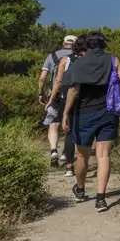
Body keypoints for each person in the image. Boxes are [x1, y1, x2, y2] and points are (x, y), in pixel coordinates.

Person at [62, 31, 120, 213]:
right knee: (104, 155)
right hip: (108, 113)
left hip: (84, 114)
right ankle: (100, 199)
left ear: (87, 45)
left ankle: (81, 189)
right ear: (103, 44)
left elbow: (73, 90)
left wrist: (65, 113)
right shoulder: (113, 60)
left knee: (82, 156)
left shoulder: (78, 63)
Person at [46, 36, 88, 177]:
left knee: (68, 132)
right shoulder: (88, 60)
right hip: (86, 99)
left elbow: (58, 81)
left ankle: (69, 167)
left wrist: (51, 99)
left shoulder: (65, 60)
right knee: (84, 131)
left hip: (66, 98)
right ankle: (84, 162)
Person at [39, 35, 76, 167]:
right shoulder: (77, 56)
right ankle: (66, 152)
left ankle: (53, 150)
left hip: (53, 95)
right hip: (70, 95)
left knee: (53, 123)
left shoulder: (52, 56)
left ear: (63, 43)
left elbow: (42, 78)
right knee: (68, 125)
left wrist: (41, 93)